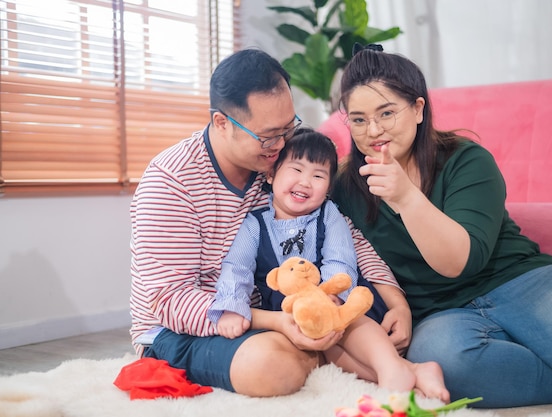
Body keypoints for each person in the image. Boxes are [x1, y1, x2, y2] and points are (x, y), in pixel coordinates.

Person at [330, 43, 552, 408]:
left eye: (386, 113)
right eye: (358, 119)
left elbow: (460, 262)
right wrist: (400, 306)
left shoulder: (465, 160)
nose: (373, 130)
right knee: (448, 367)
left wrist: (406, 197)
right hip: (442, 313)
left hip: (519, 283)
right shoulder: (344, 185)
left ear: (418, 109)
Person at [129, 48, 412, 398]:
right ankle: (351, 359)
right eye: (267, 136)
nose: (280, 144)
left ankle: (385, 366)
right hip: (181, 330)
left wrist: (396, 301)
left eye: (287, 127)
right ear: (221, 123)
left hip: (272, 312)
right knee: (271, 365)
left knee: (355, 317)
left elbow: (345, 235)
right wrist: (276, 322)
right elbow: (170, 301)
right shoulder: (171, 181)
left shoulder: (278, 165)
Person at [207, 129, 449, 400]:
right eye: (296, 170)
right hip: (295, 315)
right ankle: (414, 371)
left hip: (340, 300)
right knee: (331, 351)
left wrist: (333, 294)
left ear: (328, 187)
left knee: (345, 324)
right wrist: (232, 306)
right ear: (271, 175)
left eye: (318, 175)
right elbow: (236, 268)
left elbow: (340, 256)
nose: (305, 182)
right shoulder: (255, 224)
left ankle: (389, 366)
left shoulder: (328, 214)